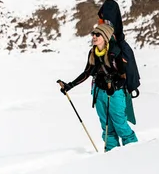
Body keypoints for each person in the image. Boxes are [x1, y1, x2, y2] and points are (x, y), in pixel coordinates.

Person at [57, 23, 138, 152]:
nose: (94, 37)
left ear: (105, 36)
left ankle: (133, 150)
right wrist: (70, 85)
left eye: (97, 34)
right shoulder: (93, 52)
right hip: (98, 92)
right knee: (106, 127)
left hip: (115, 94)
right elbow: (87, 72)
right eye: (93, 34)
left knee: (120, 124)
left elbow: (123, 76)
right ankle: (111, 153)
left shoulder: (115, 52)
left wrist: (115, 86)